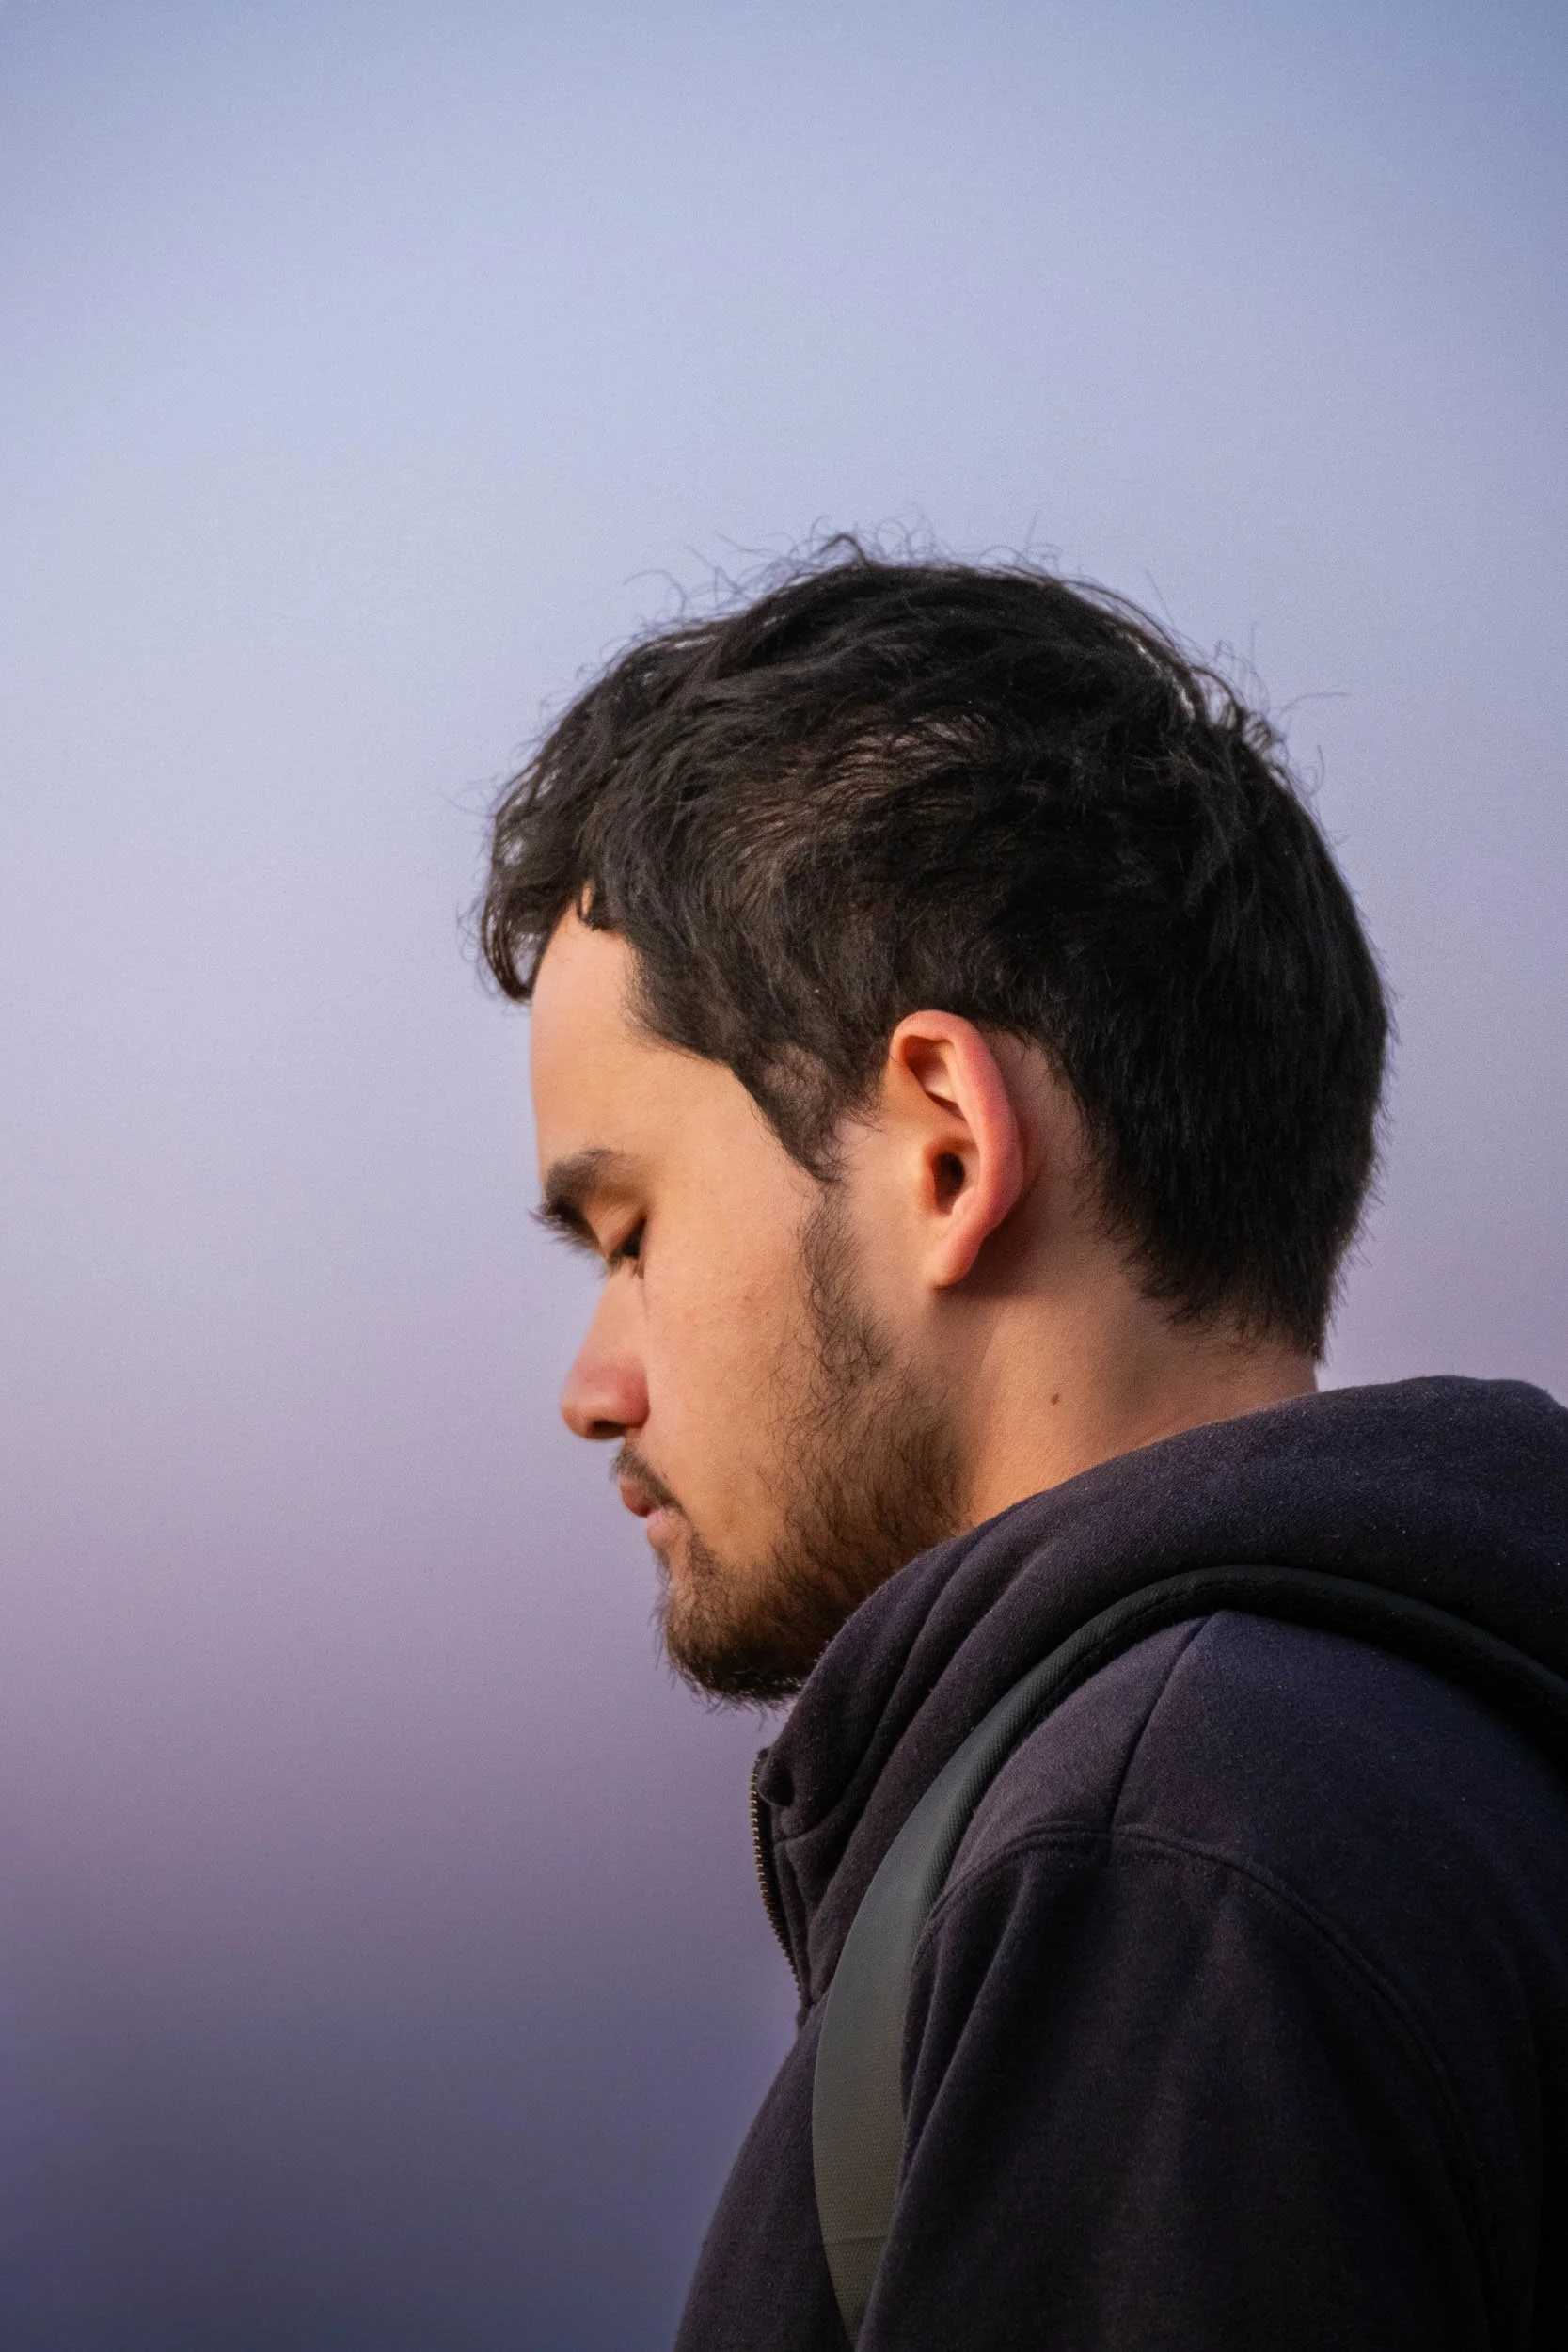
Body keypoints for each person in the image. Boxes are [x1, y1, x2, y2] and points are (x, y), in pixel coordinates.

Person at [482, 547, 1568, 2350]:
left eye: (632, 1233)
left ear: (944, 1152)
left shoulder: (1164, 1866)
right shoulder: (1428, 1775)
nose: (593, 1386)